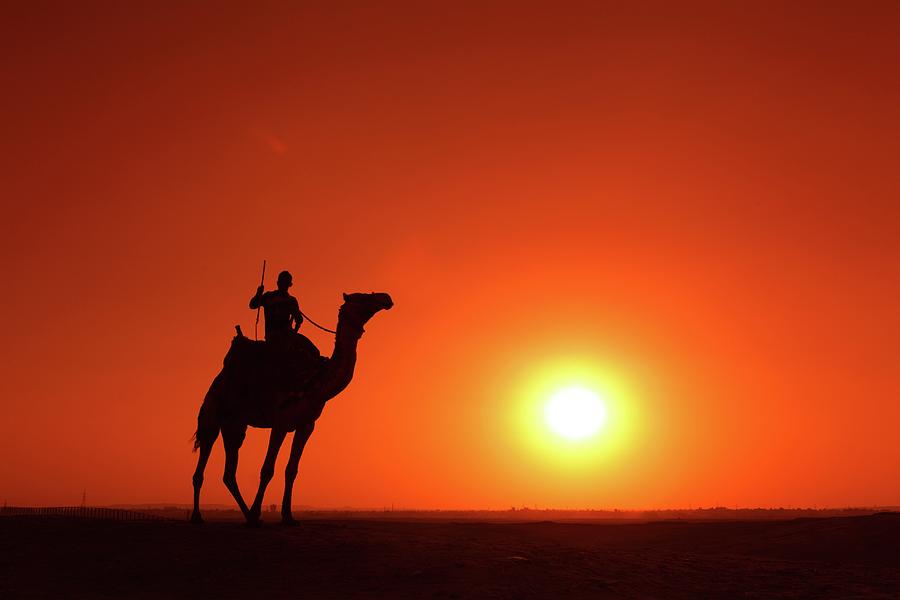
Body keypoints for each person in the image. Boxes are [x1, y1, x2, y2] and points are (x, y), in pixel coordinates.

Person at [250, 270, 303, 344]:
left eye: (285, 283)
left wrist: (294, 333)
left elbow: (299, 320)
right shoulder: (269, 296)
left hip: (286, 336)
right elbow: (252, 305)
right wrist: (258, 294)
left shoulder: (291, 300)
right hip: (274, 337)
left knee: (313, 350)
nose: (283, 285)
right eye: (283, 282)